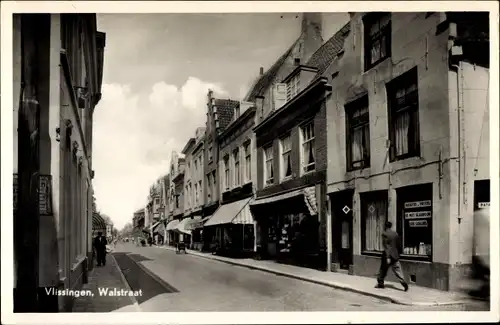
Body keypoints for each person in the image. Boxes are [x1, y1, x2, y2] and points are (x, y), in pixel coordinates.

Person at [376, 221, 409, 291]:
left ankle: (380, 283)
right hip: (395, 255)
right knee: (398, 270)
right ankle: (403, 282)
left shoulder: (385, 234)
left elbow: (386, 246)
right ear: (391, 226)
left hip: (387, 255)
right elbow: (399, 245)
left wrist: (388, 257)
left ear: (385, 226)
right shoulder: (395, 234)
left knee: (383, 270)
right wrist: (398, 253)